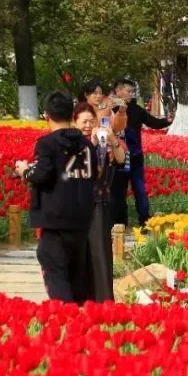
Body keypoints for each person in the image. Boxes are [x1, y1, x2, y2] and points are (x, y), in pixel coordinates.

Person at [14, 92, 95, 304]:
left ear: (47, 115)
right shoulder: (87, 146)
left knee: (56, 275)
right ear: (71, 114)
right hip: (82, 221)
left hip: (55, 220)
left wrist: (24, 171)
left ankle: (66, 322)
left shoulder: (47, 143)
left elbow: (42, 174)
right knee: (77, 278)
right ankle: (81, 320)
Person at [73, 102, 125, 302]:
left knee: (100, 253)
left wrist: (112, 140)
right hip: (76, 205)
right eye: (83, 121)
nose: (88, 125)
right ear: (74, 122)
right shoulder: (72, 142)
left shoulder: (104, 141)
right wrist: (91, 145)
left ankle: (103, 300)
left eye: (91, 121)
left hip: (99, 203)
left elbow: (122, 161)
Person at [110, 78, 171, 230]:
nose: (131, 94)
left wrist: (167, 121)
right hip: (119, 156)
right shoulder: (110, 109)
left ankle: (144, 221)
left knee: (140, 189)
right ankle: (120, 223)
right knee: (119, 191)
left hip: (135, 156)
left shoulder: (137, 110)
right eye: (128, 91)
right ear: (118, 90)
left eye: (132, 92)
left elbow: (152, 122)